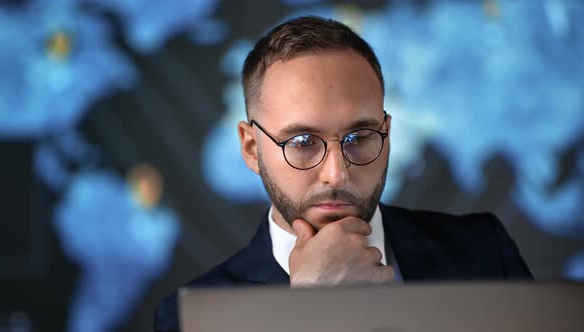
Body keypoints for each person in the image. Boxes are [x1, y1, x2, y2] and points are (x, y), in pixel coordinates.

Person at [154, 16, 532, 332]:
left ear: (386, 133)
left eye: (360, 137)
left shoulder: (485, 251)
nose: (336, 173)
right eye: (302, 141)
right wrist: (307, 311)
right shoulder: (189, 320)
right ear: (252, 149)